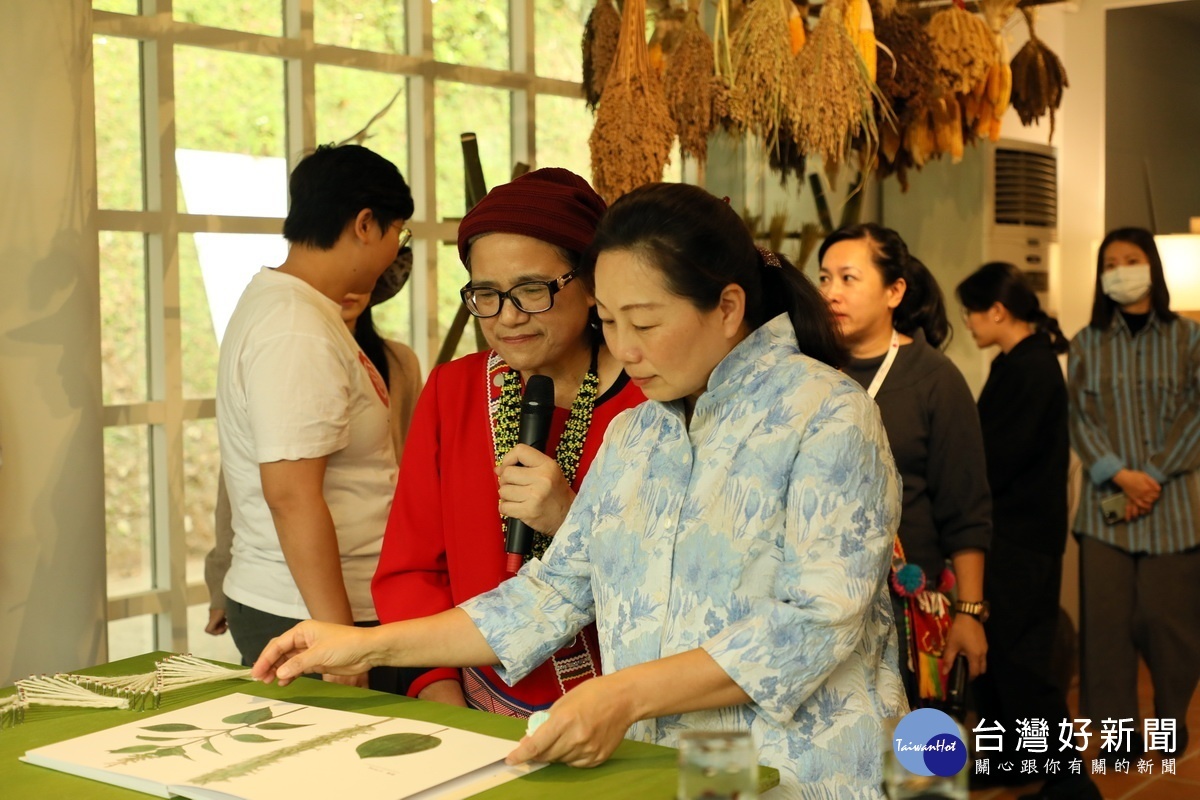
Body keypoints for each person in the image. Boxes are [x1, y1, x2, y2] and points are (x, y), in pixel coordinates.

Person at [256, 182, 906, 798]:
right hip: (685, 768)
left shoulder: (827, 415)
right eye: (610, 322)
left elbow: (813, 623)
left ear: (728, 307)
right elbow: (552, 592)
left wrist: (623, 694)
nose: (626, 347)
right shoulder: (638, 434)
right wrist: (365, 643)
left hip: (806, 771)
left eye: (645, 323)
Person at [370, 167, 644, 716]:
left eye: (532, 290)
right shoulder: (456, 391)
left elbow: (689, 579)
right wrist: (440, 694)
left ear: (591, 284)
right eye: (487, 295)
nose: (508, 317)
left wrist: (571, 518)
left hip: (630, 710)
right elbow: (412, 567)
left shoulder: (651, 398)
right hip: (478, 706)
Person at [216, 143, 413, 689]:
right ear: (366, 224)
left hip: (321, 604)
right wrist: (337, 640)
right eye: (400, 231)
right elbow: (291, 494)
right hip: (305, 610)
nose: (397, 249)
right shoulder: (294, 327)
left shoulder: (299, 311)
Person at [204, 256, 423, 642]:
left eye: (363, 275)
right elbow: (243, 484)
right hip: (290, 591)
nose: (351, 288)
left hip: (379, 577)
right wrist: (221, 574)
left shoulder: (396, 361)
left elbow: (408, 466)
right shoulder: (290, 343)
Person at [818, 223, 991, 707]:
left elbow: (967, 510)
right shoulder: (810, 371)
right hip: (825, 604)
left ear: (894, 291)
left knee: (920, 762)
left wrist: (970, 613)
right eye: (824, 278)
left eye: (848, 278)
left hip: (909, 605)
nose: (832, 292)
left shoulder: (935, 379)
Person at [958, 263, 1100, 799]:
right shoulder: (1016, 361)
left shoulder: (1031, 368)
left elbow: (997, 456)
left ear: (998, 311)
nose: (968, 322)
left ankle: (1072, 786)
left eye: (972, 311)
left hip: (1019, 540)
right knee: (994, 662)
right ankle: (1006, 763)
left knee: (1020, 664)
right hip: (1014, 536)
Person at [1070, 227, 1200, 761]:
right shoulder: (1086, 342)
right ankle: (1119, 739)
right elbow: (1078, 416)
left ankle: (1171, 725)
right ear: (1102, 277)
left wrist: (1152, 473)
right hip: (1106, 512)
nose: (1121, 270)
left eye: (1131, 259)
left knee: (1171, 629)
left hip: (1175, 509)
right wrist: (1120, 474)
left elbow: (1196, 413)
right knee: (1105, 633)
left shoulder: (1189, 340)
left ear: (1151, 268)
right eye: (1111, 263)